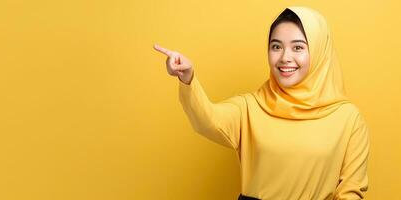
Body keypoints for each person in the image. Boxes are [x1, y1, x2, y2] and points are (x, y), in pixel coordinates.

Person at [153, 6, 369, 200]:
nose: (285, 57)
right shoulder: (251, 107)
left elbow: (351, 191)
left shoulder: (348, 118)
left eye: (298, 47)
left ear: (320, 51)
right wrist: (188, 78)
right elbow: (207, 120)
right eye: (276, 47)